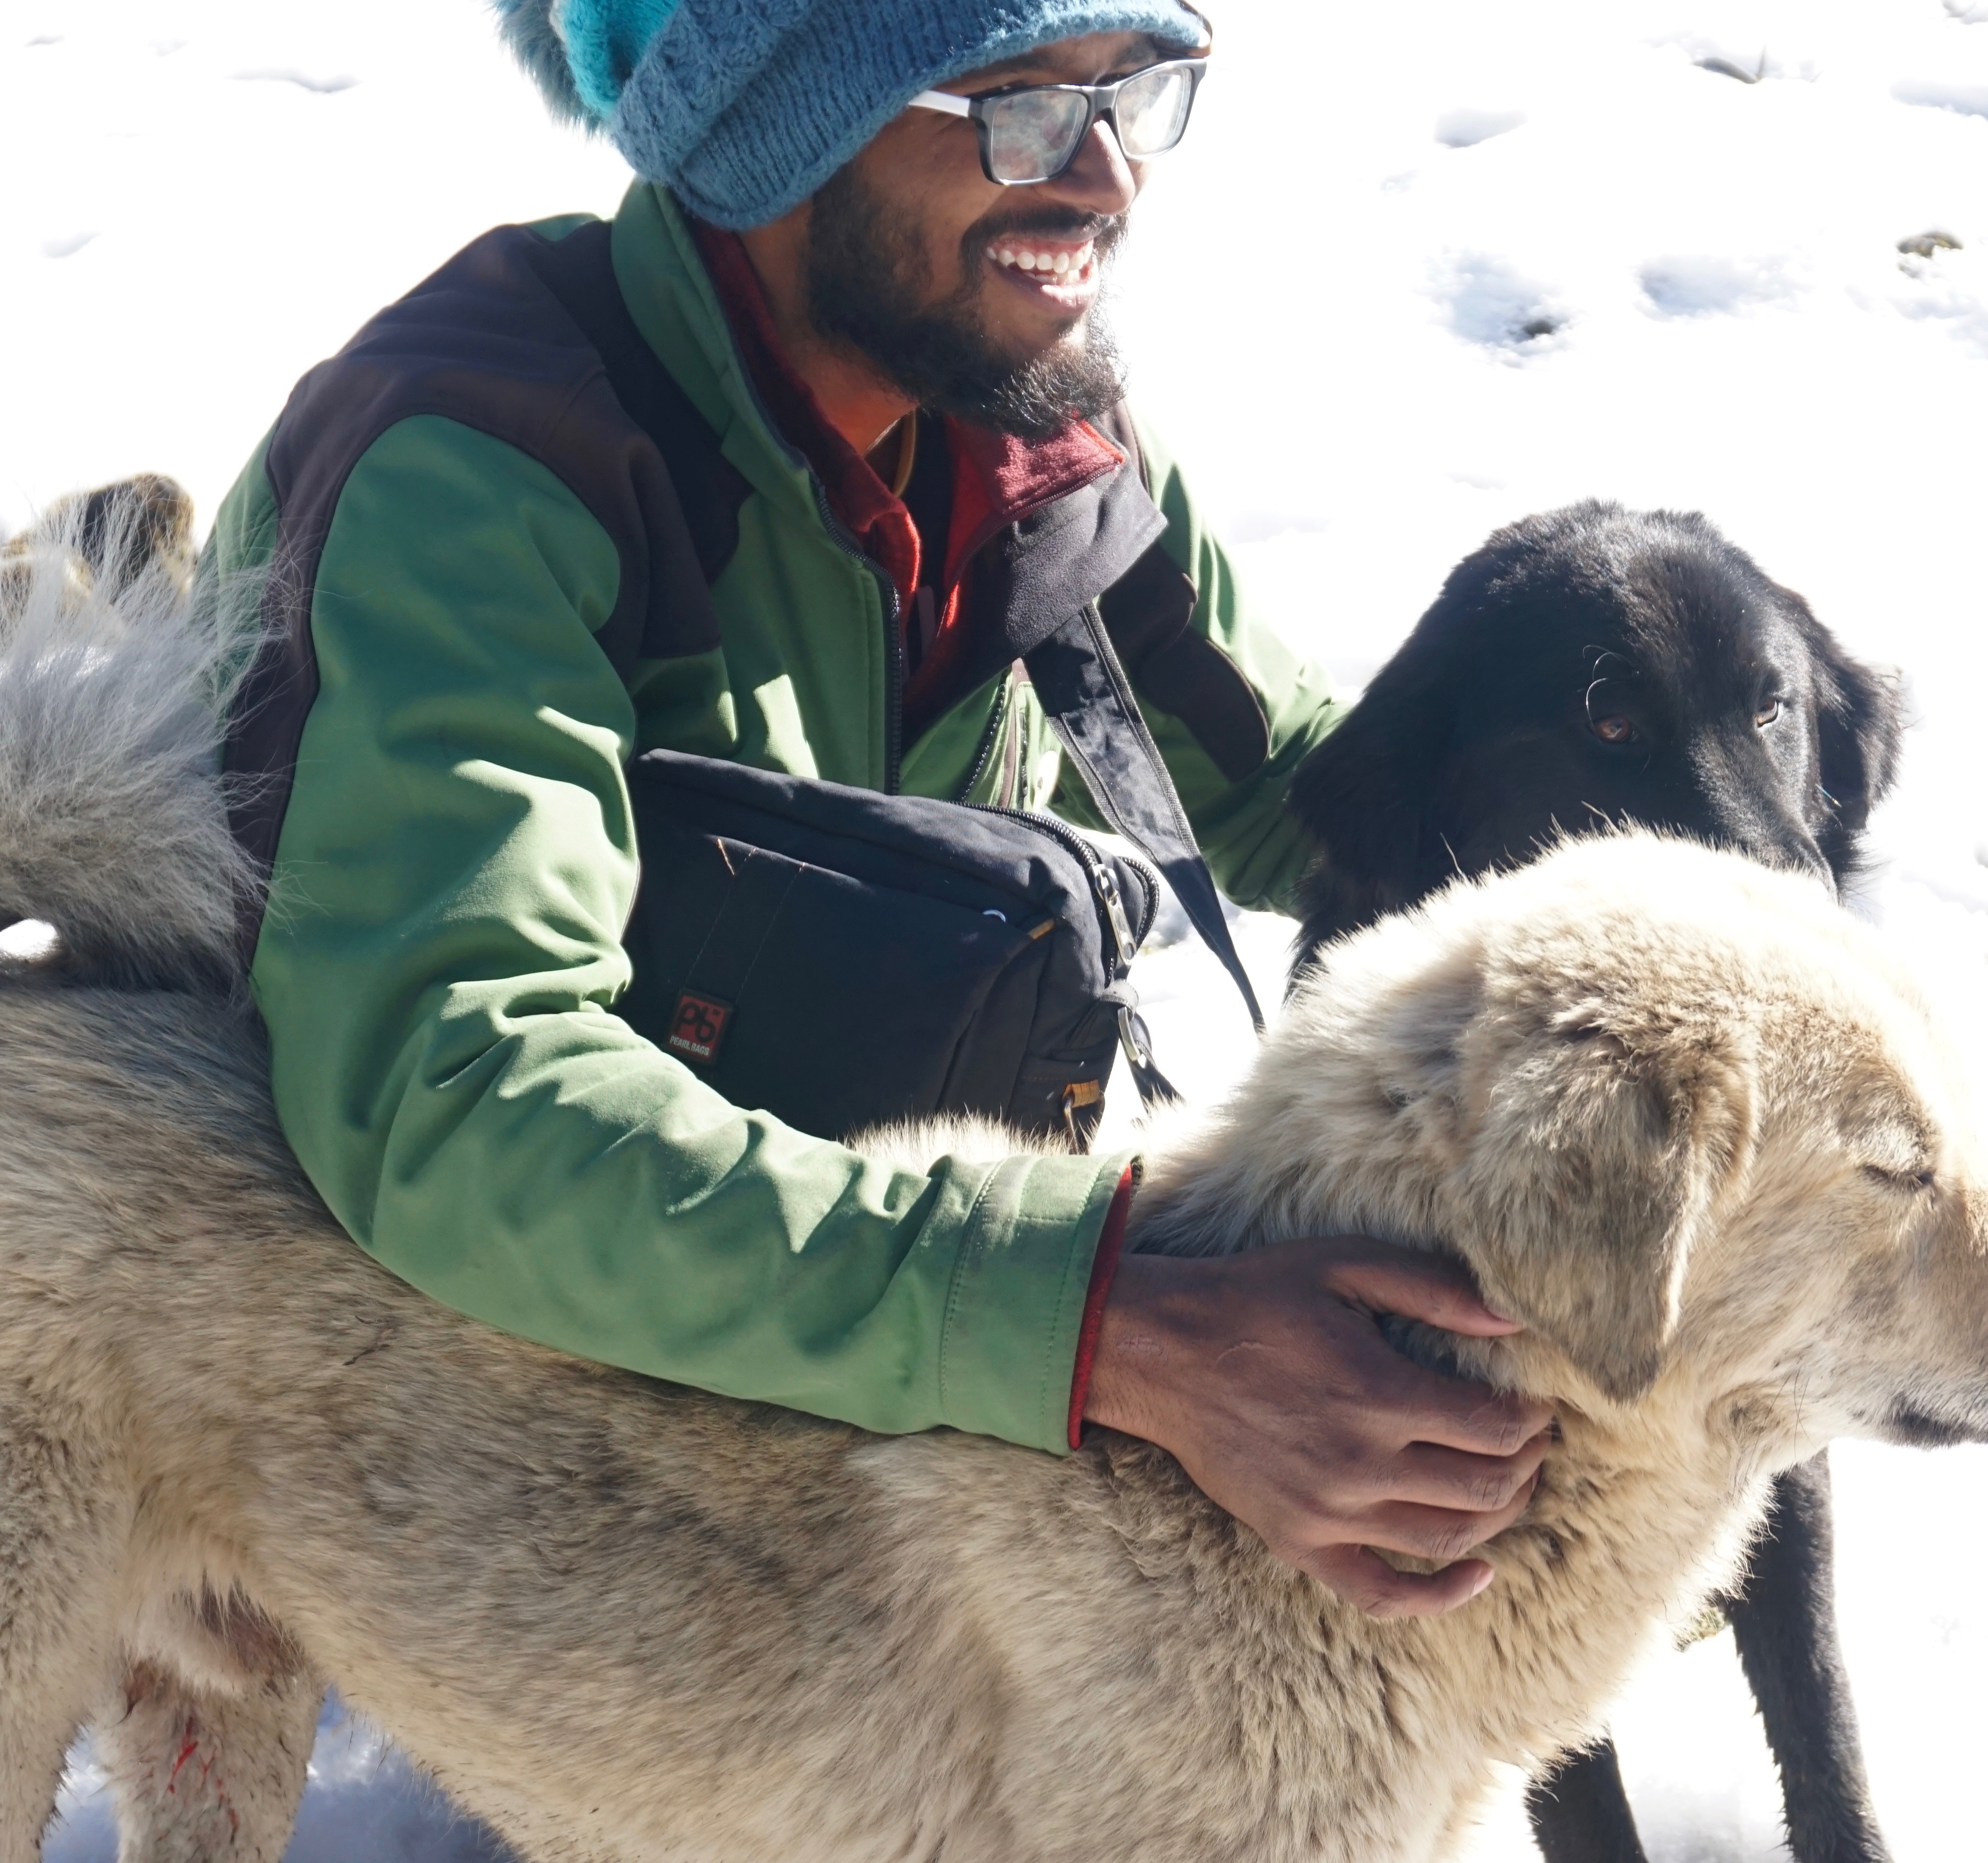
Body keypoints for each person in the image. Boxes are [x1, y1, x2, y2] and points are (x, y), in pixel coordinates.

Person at [204, 0, 1551, 1618]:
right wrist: (1102, 1327)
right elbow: (453, 1096)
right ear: (780, 132)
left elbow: (1299, 797)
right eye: (1016, 107)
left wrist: (1609, 816)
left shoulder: (1031, 433)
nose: (1105, 177)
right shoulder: (490, 470)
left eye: (1134, 90)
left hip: (840, 1308)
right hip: (437, 1385)